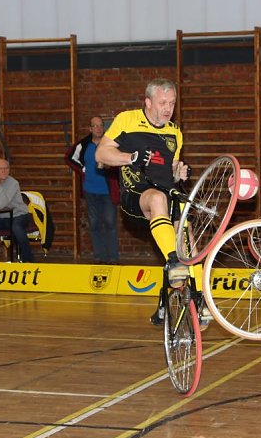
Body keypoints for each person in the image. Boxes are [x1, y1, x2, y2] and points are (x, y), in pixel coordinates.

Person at [95, 78, 190, 286]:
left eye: (172, 103)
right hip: (135, 196)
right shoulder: (127, 120)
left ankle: (198, 300)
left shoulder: (175, 132)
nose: (168, 109)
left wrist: (179, 172)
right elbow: (101, 154)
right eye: (163, 103)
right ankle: (174, 262)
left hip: (167, 195)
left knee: (189, 243)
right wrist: (131, 157)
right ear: (148, 102)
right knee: (157, 199)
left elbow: (170, 172)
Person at [65, 116, 120, 264]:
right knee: (95, 224)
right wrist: (82, 169)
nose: (98, 128)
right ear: (90, 129)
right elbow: (68, 158)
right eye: (95, 126)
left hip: (107, 191)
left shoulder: (111, 144)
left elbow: (120, 161)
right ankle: (99, 256)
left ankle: (113, 257)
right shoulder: (83, 145)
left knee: (110, 223)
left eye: (100, 125)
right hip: (90, 190)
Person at [0, 158, 35, 263]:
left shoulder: (13, 183)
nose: (4, 171)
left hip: (19, 215)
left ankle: (28, 260)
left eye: (6, 168)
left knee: (17, 227)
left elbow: (1, 204)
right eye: (0, 169)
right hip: (2, 217)